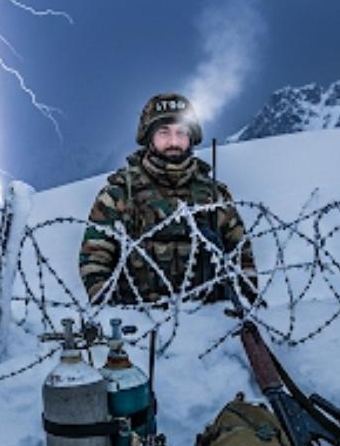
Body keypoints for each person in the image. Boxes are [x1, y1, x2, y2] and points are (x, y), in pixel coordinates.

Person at [79, 93, 257, 305]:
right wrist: (106, 302)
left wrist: (246, 301)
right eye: (164, 133)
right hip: (141, 322)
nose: (174, 141)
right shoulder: (119, 195)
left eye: (181, 132)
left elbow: (241, 255)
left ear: (191, 137)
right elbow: (94, 256)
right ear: (149, 137)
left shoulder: (214, 194)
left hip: (210, 321)